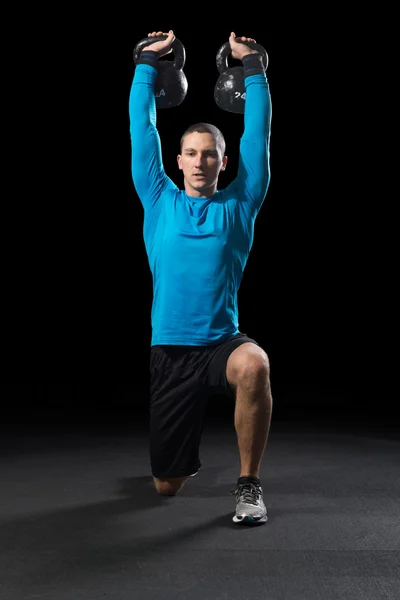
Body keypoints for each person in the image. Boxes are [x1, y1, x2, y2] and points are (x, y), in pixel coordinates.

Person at [129, 29, 273, 525]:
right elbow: (141, 128)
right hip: (170, 349)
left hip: (221, 343)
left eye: (210, 153)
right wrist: (146, 65)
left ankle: (249, 485)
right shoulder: (158, 198)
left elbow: (258, 137)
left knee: (255, 365)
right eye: (191, 152)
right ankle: (181, 454)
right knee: (166, 488)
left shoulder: (239, 204)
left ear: (223, 162)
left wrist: (253, 68)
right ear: (178, 160)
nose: (199, 161)